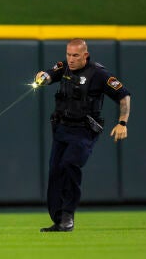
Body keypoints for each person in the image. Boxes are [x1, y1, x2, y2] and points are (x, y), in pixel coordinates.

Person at [34, 38, 131, 232]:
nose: (71, 59)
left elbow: (124, 95)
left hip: (83, 131)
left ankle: (68, 215)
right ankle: (59, 219)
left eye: (75, 55)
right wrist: (42, 77)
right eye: (68, 54)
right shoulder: (64, 67)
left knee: (70, 164)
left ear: (85, 55)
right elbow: (50, 74)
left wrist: (122, 122)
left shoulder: (99, 74)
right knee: (55, 172)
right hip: (61, 129)